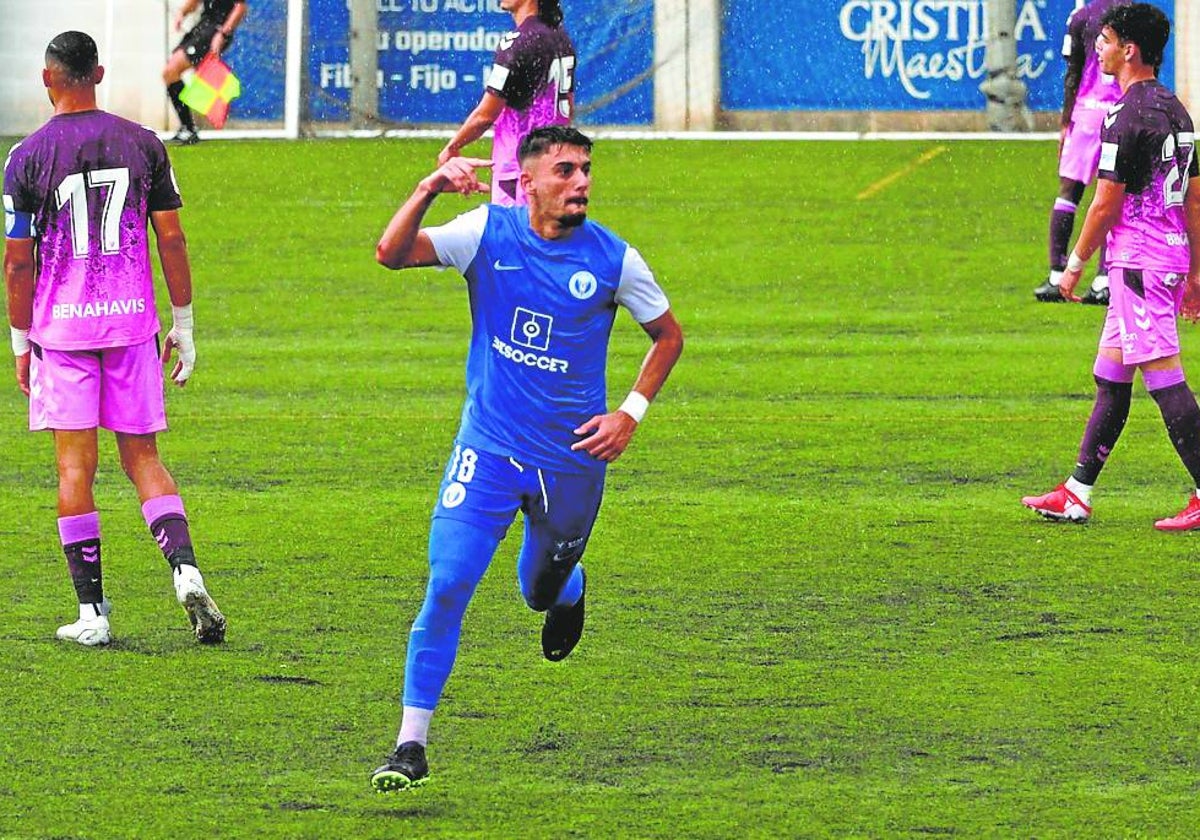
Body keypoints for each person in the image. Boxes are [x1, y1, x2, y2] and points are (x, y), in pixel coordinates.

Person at [368, 126, 684, 790]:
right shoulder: (486, 232)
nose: (582, 183)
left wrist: (630, 413)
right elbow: (390, 254)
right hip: (487, 447)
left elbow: (667, 336)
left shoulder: (615, 260)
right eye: (566, 170)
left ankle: (569, 590)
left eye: (587, 170)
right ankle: (410, 744)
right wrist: (428, 187)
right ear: (531, 179)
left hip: (571, 462)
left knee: (537, 590)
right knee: (449, 582)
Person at [3, 31, 226, 645]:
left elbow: (17, 263)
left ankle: (93, 615)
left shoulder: (25, 157)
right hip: (132, 326)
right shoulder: (144, 144)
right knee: (144, 459)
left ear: (49, 79)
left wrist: (21, 341)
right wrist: (181, 326)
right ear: (97, 73)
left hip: (63, 332)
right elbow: (172, 239)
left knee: (75, 469)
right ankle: (185, 571)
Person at [1021, 4, 1200, 530]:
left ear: (1130, 50)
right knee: (1111, 378)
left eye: (1104, 40)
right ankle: (1077, 492)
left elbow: (1105, 204)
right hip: (1161, 258)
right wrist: (1194, 272)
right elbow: (1194, 201)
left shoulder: (1124, 116)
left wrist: (1072, 266)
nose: (1095, 48)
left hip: (1139, 263)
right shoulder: (1176, 111)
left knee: (1166, 381)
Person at [437, 0, 575, 207]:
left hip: (519, 165)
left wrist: (452, 147)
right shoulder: (561, 38)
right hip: (557, 162)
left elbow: (486, 114)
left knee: (512, 235)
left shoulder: (517, 41)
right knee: (546, 235)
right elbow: (568, 107)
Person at [1033, 0, 1125, 305]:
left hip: (1086, 114)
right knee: (1113, 197)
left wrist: (1065, 122)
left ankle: (1057, 275)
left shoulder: (1082, 16)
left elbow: (1072, 72)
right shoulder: (1133, 13)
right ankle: (1104, 281)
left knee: (1068, 192)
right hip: (1120, 114)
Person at [162, 0, 247, 145]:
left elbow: (240, 7)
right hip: (204, 26)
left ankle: (190, 128)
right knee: (169, 73)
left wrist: (223, 34)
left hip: (215, 29)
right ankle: (188, 128)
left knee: (171, 71)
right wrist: (182, 13)